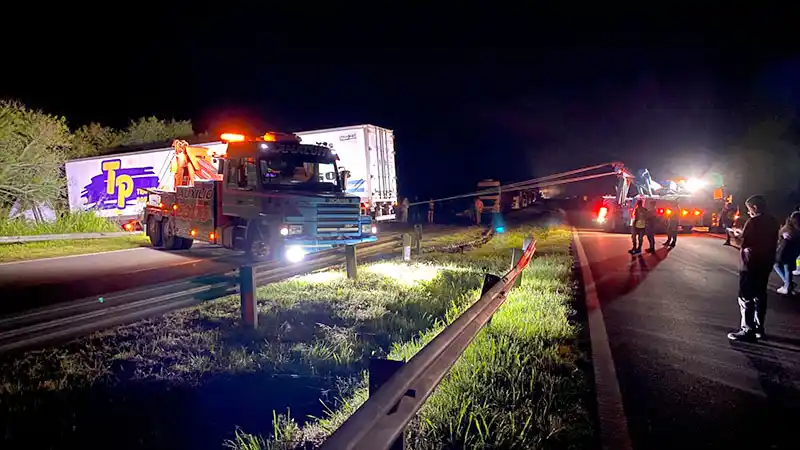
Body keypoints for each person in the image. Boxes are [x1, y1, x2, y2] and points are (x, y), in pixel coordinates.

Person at [727, 195, 780, 342]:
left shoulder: (753, 222)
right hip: (766, 262)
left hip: (750, 263)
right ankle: (759, 328)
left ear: (755, 207)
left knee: (746, 296)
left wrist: (735, 235)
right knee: (760, 295)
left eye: (749, 209)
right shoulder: (773, 221)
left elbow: (745, 242)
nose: (748, 212)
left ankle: (747, 330)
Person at [774, 212, 800, 294]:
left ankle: (788, 286)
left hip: (786, 251)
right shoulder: (795, 229)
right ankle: (788, 284)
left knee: (779, 265)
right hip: (794, 251)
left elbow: (780, 236)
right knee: (787, 267)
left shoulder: (789, 227)